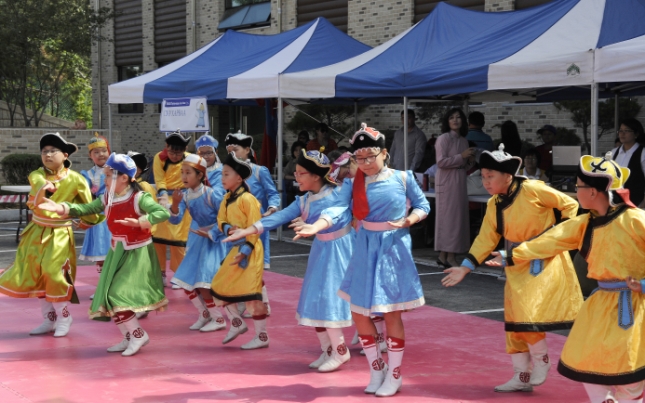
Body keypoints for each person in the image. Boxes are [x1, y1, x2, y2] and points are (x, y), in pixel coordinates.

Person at [487, 152, 645, 403]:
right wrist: (510, 255)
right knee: (582, 360)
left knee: (629, 369)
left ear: (593, 192)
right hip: (601, 303)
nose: (575, 191)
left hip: (635, 305)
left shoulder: (636, 220)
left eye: (578, 186)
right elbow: (548, 242)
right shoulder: (583, 224)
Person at [292, 123, 430, 397]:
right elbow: (336, 208)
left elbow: (423, 205)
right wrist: (315, 226)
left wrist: (409, 220)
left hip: (392, 248)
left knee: (390, 312)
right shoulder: (352, 184)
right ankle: (376, 370)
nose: (365, 163)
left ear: (384, 153)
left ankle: (395, 374)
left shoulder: (403, 178)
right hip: (364, 247)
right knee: (358, 312)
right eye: (360, 158)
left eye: (370, 157)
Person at [441, 144, 583, 393]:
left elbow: (571, 206)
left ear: (507, 176)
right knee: (514, 320)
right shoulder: (495, 202)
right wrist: (465, 267)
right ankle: (521, 375)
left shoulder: (532, 188)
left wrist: (554, 237)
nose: (485, 181)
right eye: (483, 176)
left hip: (543, 259)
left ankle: (541, 360)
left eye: (490, 176)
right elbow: (486, 237)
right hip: (514, 260)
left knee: (528, 313)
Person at [225, 150, 355, 372]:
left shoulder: (340, 192)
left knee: (329, 301)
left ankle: (342, 351)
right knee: (313, 299)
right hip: (321, 250)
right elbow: (279, 217)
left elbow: (336, 211)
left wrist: (314, 227)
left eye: (300, 173)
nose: (296, 177)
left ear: (316, 175)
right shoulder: (304, 201)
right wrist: (247, 230)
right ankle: (328, 349)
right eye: (295, 173)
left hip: (342, 252)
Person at [39, 153, 169, 356]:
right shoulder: (108, 197)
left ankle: (137, 334)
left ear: (123, 177)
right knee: (107, 297)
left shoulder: (138, 197)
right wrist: (63, 207)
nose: (104, 180)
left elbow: (163, 213)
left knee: (117, 296)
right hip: (116, 252)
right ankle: (128, 338)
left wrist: (141, 221)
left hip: (138, 253)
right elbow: (87, 208)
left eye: (108, 176)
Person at [0, 133, 101, 337]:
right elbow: (37, 184)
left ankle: (64, 317)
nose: (47, 155)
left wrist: (85, 222)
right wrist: (44, 188)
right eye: (44, 151)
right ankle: (49, 319)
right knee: (38, 274)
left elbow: (89, 207)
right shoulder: (37, 175)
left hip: (59, 234)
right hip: (36, 231)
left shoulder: (76, 180)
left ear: (65, 155)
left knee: (54, 273)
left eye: (52, 151)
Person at [210, 152, 269, 350]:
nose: (222, 178)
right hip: (235, 248)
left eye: (226, 174)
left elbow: (255, 226)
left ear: (239, 178)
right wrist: (227, 229)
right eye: (222, 174)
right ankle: (237, 322)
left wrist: (245, 250)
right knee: (218, 287)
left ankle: (262, 336)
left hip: (250, 249)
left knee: (252, 294)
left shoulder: (248, 199)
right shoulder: (227, 198)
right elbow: (220, 220)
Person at [169, 154, 227, 332]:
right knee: (184, 279)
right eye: (182, 173)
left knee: (203, 284)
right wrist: (175, 205)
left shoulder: (212, 194)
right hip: (197, 241)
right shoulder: (185, 197)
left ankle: (218, 319)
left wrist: (212, 233)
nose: (184, 177)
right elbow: (175, 221)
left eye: (188, 173)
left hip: (213, 241)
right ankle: (204, 313)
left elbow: (225, 218)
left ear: (200, 175)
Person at [225, 131, 279, 313]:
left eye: (237, 150)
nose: (233, 153)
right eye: (230, 150)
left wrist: (272, 208)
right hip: (235, 225)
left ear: (247, 150)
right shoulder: (228, 173)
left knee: (253, 263)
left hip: (254, 224)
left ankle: (262, 303)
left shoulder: (259, 171)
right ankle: (242, 301)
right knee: (236, 263)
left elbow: (272, 193)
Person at [434, 108, 475, 268]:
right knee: (449, 218)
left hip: (459, 178)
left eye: (458, 117)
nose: (455, 120)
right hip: (446, 180)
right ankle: (450, 255)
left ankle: (444, 255)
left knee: (458, 217)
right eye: (452, 117)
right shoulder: (443, 139)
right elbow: (441, 162)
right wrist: (461, 156)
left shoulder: (464, 140)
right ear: (447, 121)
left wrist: (470, 160)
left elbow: (464, 165)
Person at [153, 130, 192, 288]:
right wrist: (162, 195)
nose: (175, 156)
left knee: (179, 240)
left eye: (179, 152)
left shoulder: (190, 159)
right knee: (158, 239)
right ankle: (160, 272)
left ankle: (179, 274)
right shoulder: (159, 158)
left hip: (182, 198)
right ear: (166, 147)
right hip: (163, 198)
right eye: (172, 152)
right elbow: (159, 178)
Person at [79, 133, 112, 300]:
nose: (101, 155)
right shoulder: (87, 174)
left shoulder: (116, 170)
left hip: (114, 216)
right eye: (96, 152)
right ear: (90, 155)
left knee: (115, 254)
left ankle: (113, 287)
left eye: (103, 150)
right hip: (98, 218)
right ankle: (103, 287)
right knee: (101, 257)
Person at [612, 117, 645, 207]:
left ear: (636, 134)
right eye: (620, 130)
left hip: (636, 204)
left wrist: (641, 206)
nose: (622, 133)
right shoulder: (614, 153)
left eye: (627, 130)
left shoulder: (642, 153)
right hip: (615, 204)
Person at [284, 141, 307, 206]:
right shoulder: (291, 163)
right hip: (293, 189)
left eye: (300, 150)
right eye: (296, 150)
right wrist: (294, 177)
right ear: (293, 152)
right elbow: (284, 175)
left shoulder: (308, 162)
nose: (298, 152)